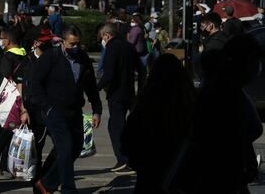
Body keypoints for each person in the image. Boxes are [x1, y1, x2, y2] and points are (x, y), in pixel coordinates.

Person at [32, 25, 102, 194]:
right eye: (72, 44)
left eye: (78, 43)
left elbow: (91, 86)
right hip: (54, 111)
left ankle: (46, 184)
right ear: (63, 42)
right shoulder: (51, 57)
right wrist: (47, 107)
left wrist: (96, 109)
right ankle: (69, 189)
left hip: (74, 111)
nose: (76, 47)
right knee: (65, 147)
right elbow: (34, 84)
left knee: (76, 147)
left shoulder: (83, 58)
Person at [192, 35, 263, 193]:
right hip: (219, 177)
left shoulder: (226, 89)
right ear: (247, 61)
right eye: (256, 61)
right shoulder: (226, 92)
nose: (258, 67)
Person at [121, 53, 196, 193]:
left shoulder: (146, 105)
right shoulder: (191, 104)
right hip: (182, 175)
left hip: (149, 174)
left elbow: (127, 141)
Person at [97, 23, 140, 175]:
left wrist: (96, 88)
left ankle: (123, 159)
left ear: (106, 35)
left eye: (102, 37)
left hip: (116, 93)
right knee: (124, 125)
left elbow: (108, 74)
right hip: (130, 92)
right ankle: (130, 157)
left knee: (116, 127)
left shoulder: (111, 48)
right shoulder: (128, 46)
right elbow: (141, 68)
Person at [0, 28, 30, 175]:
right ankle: (6, 164)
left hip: (8, 103)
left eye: (2, 38)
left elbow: (3, 79)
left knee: (3, 132)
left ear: (7, 41)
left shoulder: (7, 58)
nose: (0, 41)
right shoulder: (25, 55)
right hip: (21, 101)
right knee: (12, 133)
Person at [23, 26, 57, 194]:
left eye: (50, 41)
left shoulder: (54, 58)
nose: (48, 45)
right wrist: (23, 110)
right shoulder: (28, 61)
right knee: (36, 151)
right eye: (45, 42)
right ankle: (38, 185)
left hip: (51, 110)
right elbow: (20, 87)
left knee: (63, 145)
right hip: (33, 113)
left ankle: (45, 179)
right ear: (36, 43)